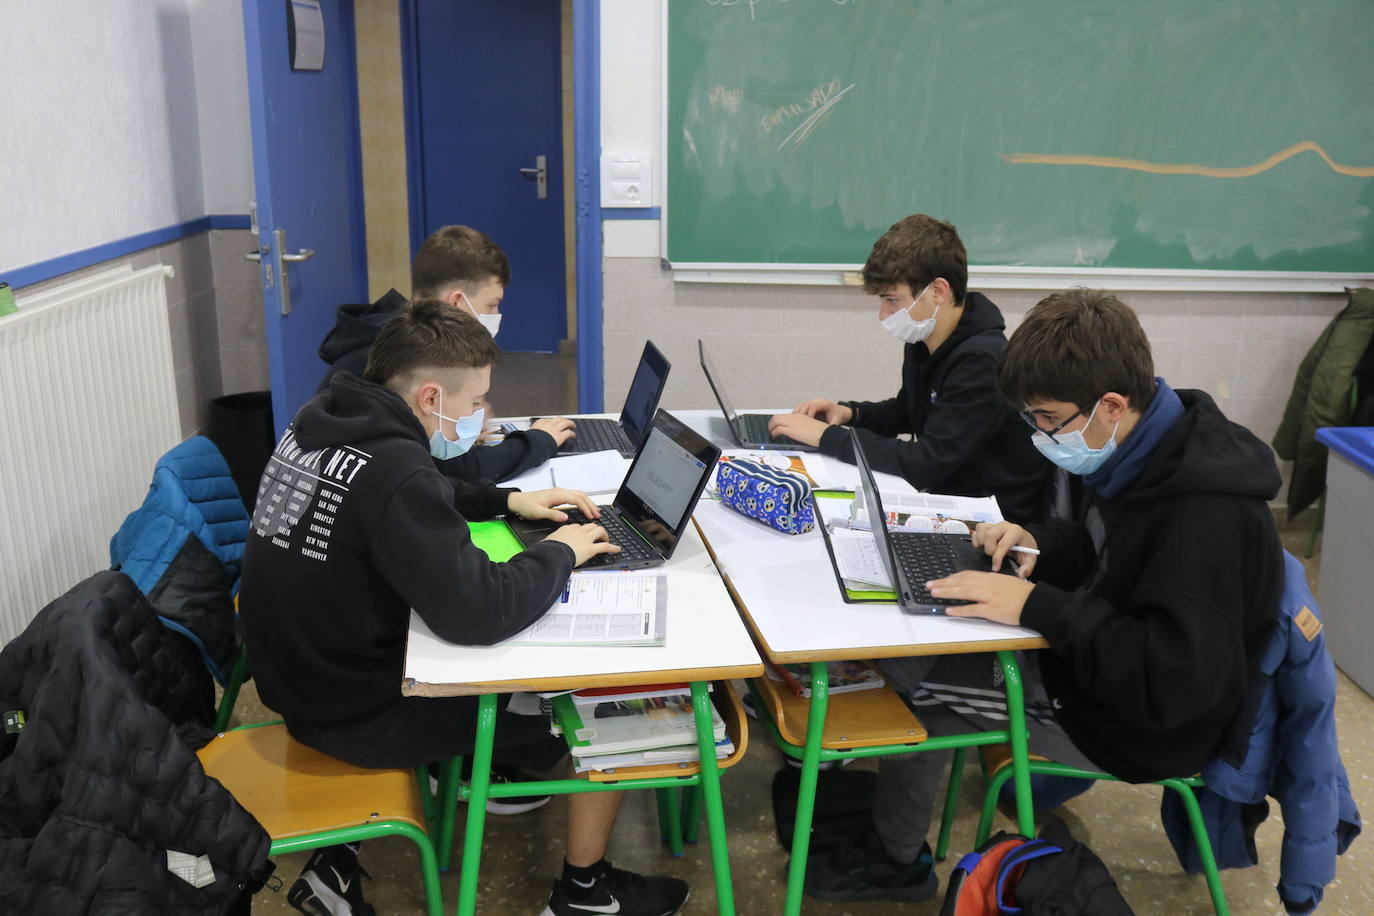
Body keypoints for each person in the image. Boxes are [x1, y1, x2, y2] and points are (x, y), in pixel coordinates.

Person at [803, 289, 1283, 903]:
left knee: (911, 690)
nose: (1038, 435)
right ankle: (883, 832)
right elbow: (1104, 549)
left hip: (1138, 721)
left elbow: (1177, 677)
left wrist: (1034, 608)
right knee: (929, 666)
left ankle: (892, 858)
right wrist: (1038, 543)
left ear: (1111, 404)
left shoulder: (1199, 517)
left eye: (1048, 419)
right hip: (1102, 667)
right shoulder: (1152, 445)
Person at [241, 302, 688, 916]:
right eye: (476, 400)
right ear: (430, 398)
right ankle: (585, 895)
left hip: (298, 681)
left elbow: (424, 487)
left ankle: (342, 859)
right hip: (360, 715)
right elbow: (478, 612)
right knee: (606, 704)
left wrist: (509, 502)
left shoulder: (326, 421)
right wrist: (559, 552)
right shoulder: (394, 467)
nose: (482, 416)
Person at [768, 214, 1049, 522]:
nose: (884, 314)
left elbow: (925, 461)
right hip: (943, 497)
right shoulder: (925, 336)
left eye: (892, 300)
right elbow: (909, 410)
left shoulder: (982, 360)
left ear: (938, 291)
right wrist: (849, 414)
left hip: (987, 520)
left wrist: (827, 437)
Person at [316, 224, 577, 482]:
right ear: (456, 301)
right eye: (491, 305)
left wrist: (456, 425)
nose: (496, 316)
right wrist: (537, 442)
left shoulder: (399, 330)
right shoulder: (399, 352)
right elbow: (452, 470)